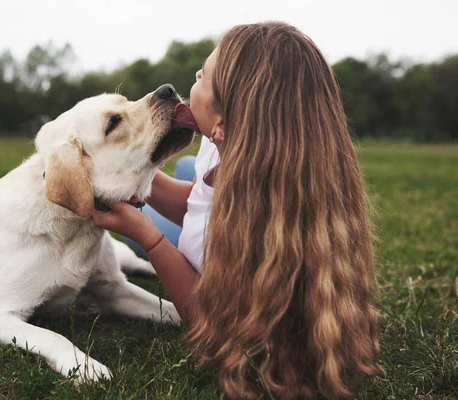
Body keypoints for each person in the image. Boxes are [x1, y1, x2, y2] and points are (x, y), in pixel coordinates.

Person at [92, 21, 381, 399]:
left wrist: (149, 236)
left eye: (204, 77)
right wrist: (133, 168)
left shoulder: (262, 238)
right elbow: (196, 202)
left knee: (163, 224)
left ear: (223, 124)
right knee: (185, 174)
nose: (194, 74)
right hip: (201, 218)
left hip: (202, 251)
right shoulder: (224, 147)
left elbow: (205, 321)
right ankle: (174, 176)